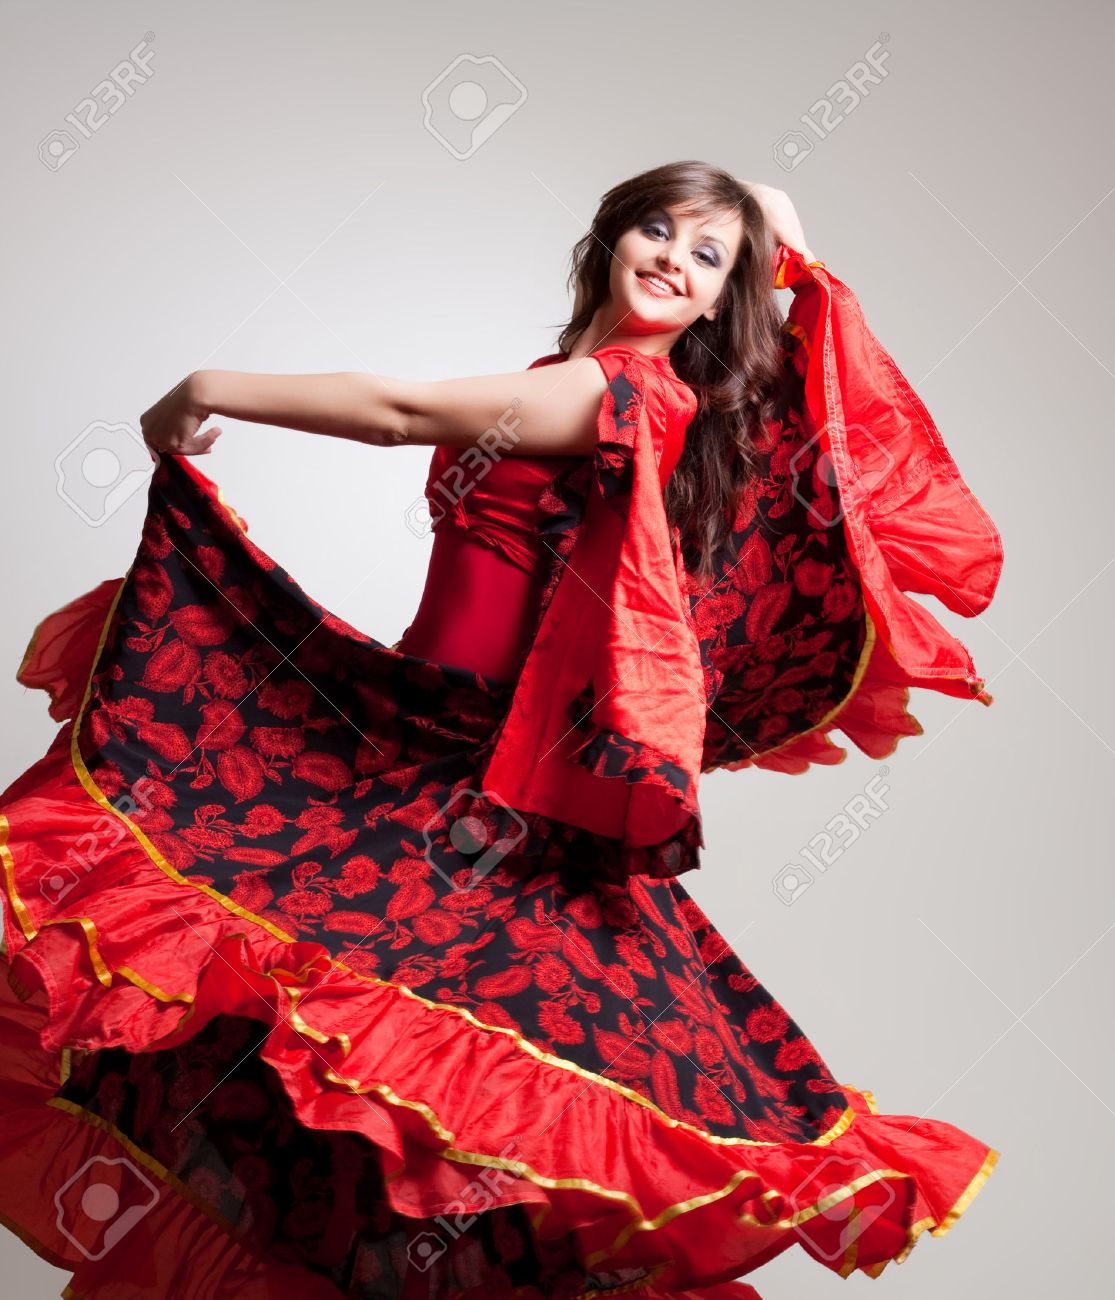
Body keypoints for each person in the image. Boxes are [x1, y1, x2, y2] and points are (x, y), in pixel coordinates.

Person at [0, 163, 1003, 1299]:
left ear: (728, 301)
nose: (674, 257)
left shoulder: (615, 392)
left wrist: (209, 385)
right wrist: (758, 222)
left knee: (382, 1070)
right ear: (611, 235)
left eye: (706, 257)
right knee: (347, 1083)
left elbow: (401, 413)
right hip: (412, 747)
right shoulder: (594, 382)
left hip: (467, 782)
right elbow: (761, 227)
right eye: (658, 228)